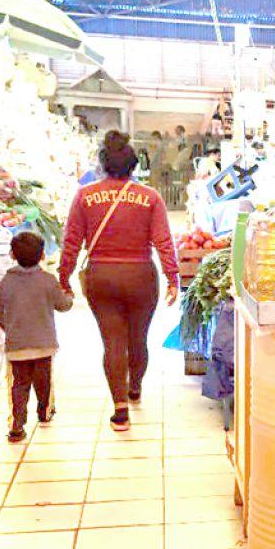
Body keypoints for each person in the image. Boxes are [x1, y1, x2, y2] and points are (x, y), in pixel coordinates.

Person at [59, 131, 179, 432]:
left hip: (102, 277)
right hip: (141, 276)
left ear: (102, 163)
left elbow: (71, 241)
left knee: (113, 342)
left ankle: (120, 409)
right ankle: (135, 386)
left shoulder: (85, 196)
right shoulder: (150, 197)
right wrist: (172, 276)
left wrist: (64, 276)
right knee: (138, 339)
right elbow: (163, 241)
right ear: (133, 164)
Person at [0, 231, 73, 443]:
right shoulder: (48, 280)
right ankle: (44, 412)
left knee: (19, 384)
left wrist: (10, 328)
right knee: (43, 380)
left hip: (17, 346)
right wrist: (69, 297)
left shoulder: (5, 282)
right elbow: (63, 305)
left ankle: (17, 426)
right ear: (42, 255)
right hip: (44, 344)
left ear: (12, 254)